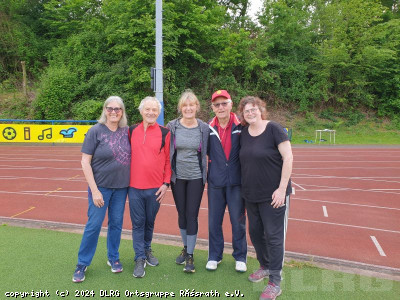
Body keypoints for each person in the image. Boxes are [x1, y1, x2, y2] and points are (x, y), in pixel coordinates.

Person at [238, 96, 293, 300]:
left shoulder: (274, 129)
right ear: (242, 115)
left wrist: (281, 188)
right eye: (246, 111)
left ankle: (275, 282)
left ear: (261, 110)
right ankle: (265, 265)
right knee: (255, 232)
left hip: (273, 195)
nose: (250, 113)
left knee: (274, 236)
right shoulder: (244, 133)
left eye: (253, 109)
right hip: (251, 194)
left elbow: (288, 157)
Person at [72, 96, 131, 283]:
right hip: (101, 188)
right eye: (110, 108)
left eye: (118, 109)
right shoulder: (95, 131)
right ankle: (82, 263)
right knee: (94, 225)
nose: (114, 112)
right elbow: (85, 161)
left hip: (121, 188)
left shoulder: (127, 131)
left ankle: (113, 257)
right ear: (105, 110)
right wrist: (95, 190)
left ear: (122, 112)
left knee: (116, 224)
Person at [166, 90, 209, 273]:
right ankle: (185, 247)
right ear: (180, 108)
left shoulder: (204, 128)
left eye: (192, 105)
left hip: (196, 178)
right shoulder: (172, 126)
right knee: (181, 213)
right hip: (177, 178)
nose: (189, 108)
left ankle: (190, 255)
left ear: (197, 107)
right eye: (185, 105)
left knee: (192, 215)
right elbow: (165, 153)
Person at [128, 96, 171, 278]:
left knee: (149, 222)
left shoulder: (165, 133)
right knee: (138, 224)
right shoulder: (130, 131)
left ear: (158, 113)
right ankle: (139, 258)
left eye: (154, 110)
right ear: (141, 111)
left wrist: (166, 183)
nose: (151, 113)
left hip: (155, 189)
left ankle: (147, 250)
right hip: (135, 188)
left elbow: (169, 160)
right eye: (147, 109)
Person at [206, 89, 247, 272]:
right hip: (216, 181)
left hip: (237, 182)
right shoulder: (207, 128)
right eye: (217, 104)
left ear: (231, 104)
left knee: (237, 220)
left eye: (224, 103)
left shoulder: (242, 125)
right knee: (214, 221)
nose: (221, 107)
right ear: (212, 108)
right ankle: (214, 255)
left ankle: (240, 256)